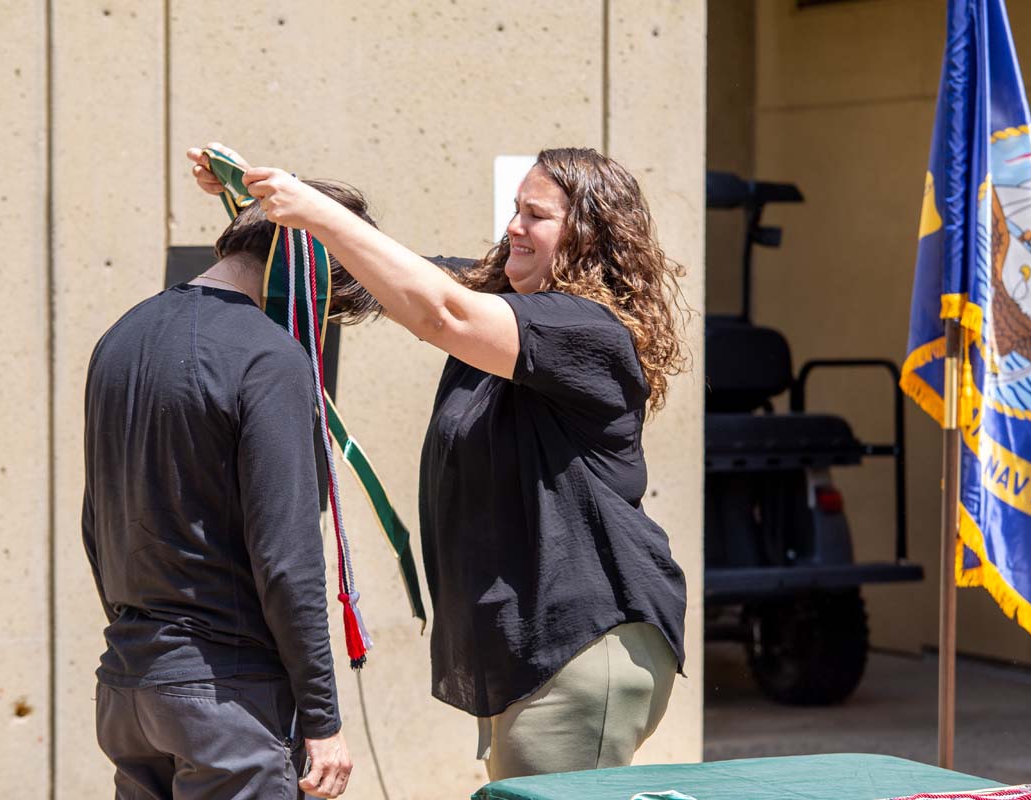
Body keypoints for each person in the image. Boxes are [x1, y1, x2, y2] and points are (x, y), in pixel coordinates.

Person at [190, 145, 690, 780]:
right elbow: (389, 274)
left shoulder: (584, 331)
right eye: (514, 209)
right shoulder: (503, 298)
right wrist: (260, 200)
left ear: (588, 235)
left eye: (535, 215)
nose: (513, 227)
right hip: (536, 649)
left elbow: (442, 312)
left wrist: (312, 211)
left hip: (583, 641)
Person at [81, 178, 381, 799]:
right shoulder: (269, 357)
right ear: (311, 272)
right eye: (328, 304)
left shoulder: (120, 338)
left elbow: (96, 523)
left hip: (128, 686)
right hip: (226, 699)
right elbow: (287, 559)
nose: (320, 321)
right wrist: (322, 720)